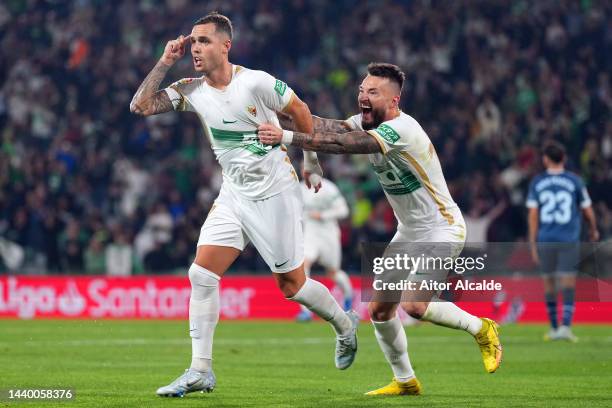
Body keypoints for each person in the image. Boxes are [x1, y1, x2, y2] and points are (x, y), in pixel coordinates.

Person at [130, 12, 358, 398]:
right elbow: (141, 106)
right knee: (201, 275)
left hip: (276, 194)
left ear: (225, 45)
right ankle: (200, 370)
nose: (196, 49)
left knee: (292, 286)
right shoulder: (191, 89)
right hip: (234, 195)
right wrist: (165, 61)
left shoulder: (256, 82)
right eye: (193, 42)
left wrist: (311, 160)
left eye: (204, 41)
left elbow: (300, 111)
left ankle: (344, 325)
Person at [258, 62, 502, 396]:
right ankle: (405, 381)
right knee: (380, 308)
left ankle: (482, 328)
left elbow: (345, 145)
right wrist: (279, 111)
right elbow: (325, 127)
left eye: (373, 92)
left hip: (442, 228)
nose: (363, 96)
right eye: (361, 89)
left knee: (415, 305)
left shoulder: (402, 129)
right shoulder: (364, 120)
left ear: (393, 101)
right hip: (410, 231)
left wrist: (286, 135)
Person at [526, 141, 599, 342]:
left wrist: (532, 242)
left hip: (546, 239)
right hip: (568, 238)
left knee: (549, 283)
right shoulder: (575, 181)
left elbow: (533, 214)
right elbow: (587, 209)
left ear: (546, 159)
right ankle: (565, 327)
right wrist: (593, 229)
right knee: (568, 282)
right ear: (563, 159)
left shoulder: (537, 182)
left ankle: (554, 327)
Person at [297, 177, 352, 321]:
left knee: (333, 273)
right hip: (310, 234)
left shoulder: (329, 187)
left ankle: (348, 300)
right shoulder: (299, 187)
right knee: (304, 264)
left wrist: (322, 215)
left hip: (329, 234)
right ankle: (306, 311)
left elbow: (344, 210)